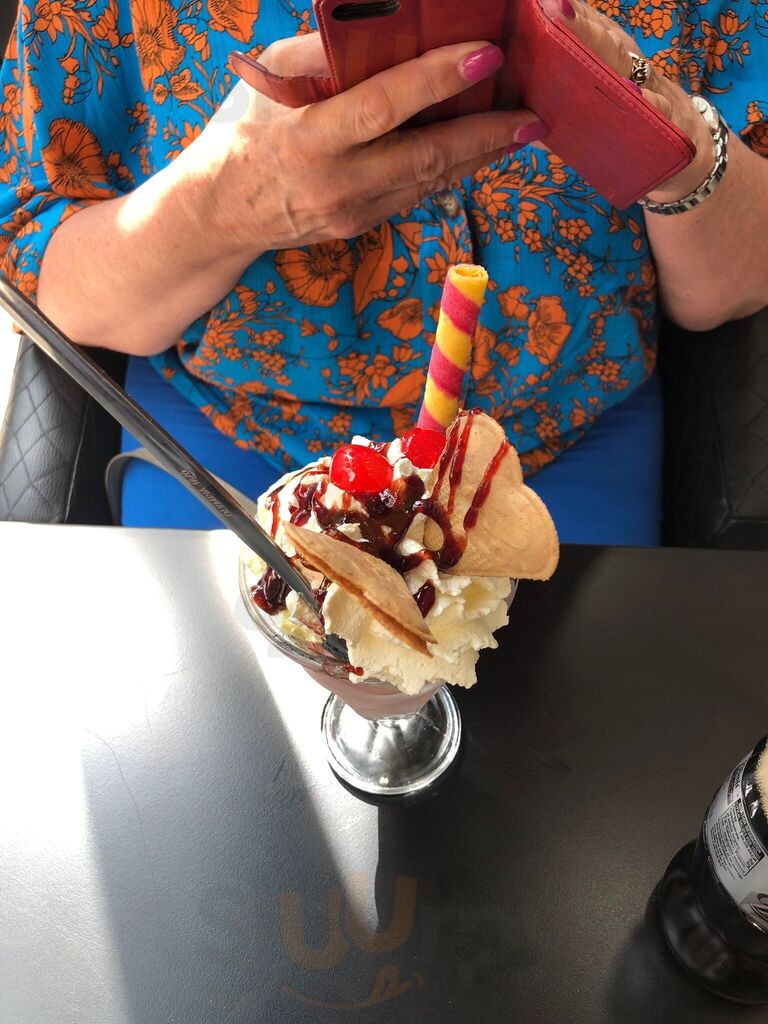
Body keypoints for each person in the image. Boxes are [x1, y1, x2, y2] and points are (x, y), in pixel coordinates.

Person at [0, 0, 766, 543]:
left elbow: (733, 285)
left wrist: (675, 144)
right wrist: (226, 206)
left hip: (563, 433)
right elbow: (39, 267)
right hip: (233, 437)